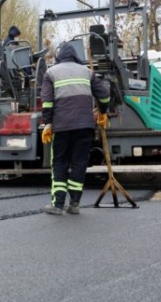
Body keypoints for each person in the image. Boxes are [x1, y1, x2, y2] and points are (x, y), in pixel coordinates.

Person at [40, 42, 110, 215]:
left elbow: (47, 102)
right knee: (79, 163)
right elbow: (105, 95)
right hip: (84, 125)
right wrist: (103, 112)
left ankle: (58, 205)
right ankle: (74, 204)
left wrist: (48, 122)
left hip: (62, 126)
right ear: (75, 56)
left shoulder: (51, 73)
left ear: (59, 56)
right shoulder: (87, 72)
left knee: (60, 163)